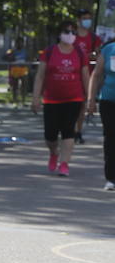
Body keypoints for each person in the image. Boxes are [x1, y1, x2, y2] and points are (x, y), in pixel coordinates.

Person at [32, 22, 90, 177]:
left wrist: (89, 97)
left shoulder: (79, 53)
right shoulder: (49, 52)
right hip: (51, 99)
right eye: (66, 31)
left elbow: (85, 76)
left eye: (73, 32)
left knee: (68, 131)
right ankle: (54, 153)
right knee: (50, 135)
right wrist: (36, 97)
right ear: (59, 33)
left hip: (73, 98)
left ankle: (64, 164)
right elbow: (40, 76)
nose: (70, 35)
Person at [87, 32, 115, 190]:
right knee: (111, 137)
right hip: (109, 101)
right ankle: (111, 177)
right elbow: (96, 75)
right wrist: (91, 100)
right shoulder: (108, 49)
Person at [73, 11, 97, 143]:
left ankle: (78, 131)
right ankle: (69, 130)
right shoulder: (72, 36)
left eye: (89, 18)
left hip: (87, 75)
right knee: (71, 105)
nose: (87, 21)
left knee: (82, 105)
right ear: (79, 20)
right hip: (73, 75)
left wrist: (94, 56)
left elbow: (99, 54)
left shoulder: (94, 38)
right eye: (84, 19)